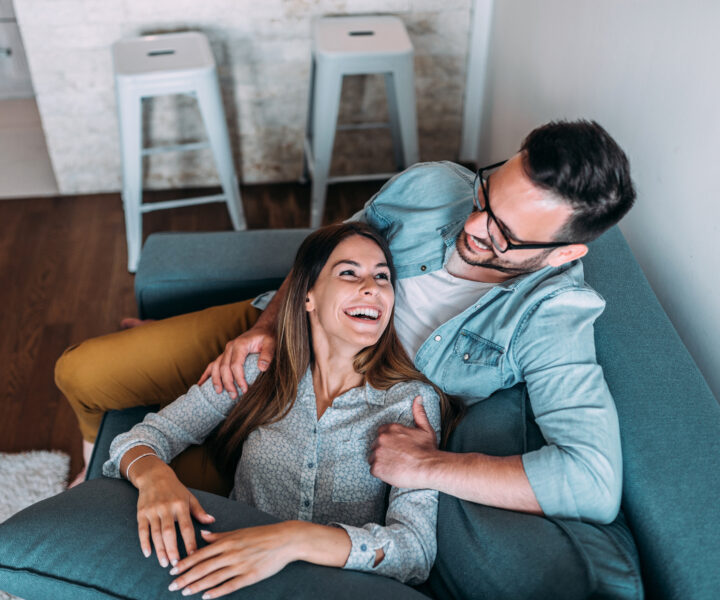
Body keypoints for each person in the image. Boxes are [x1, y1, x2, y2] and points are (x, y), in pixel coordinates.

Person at [58, 119, 634, 525]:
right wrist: (263, 329)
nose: (475, 223)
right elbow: (331, 252)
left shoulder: (554, 316)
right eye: (486, 193)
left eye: (503, 235)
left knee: (154, 498)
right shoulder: (436, 184)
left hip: (339, 411)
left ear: (561, 254)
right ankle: (93, 453)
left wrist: (432, 465)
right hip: (279, 331)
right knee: (82, 371)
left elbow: (593, 483)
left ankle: (118, 455)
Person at [101, 222, 453, 598]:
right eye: (349, 272)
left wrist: (291, 540)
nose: (372, 287)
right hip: (230, 584)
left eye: (382, 277)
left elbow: (414, 551)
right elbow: (145, 437)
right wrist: (154, 477)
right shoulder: (259, 371)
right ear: (308, 296)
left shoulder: (411, 403)